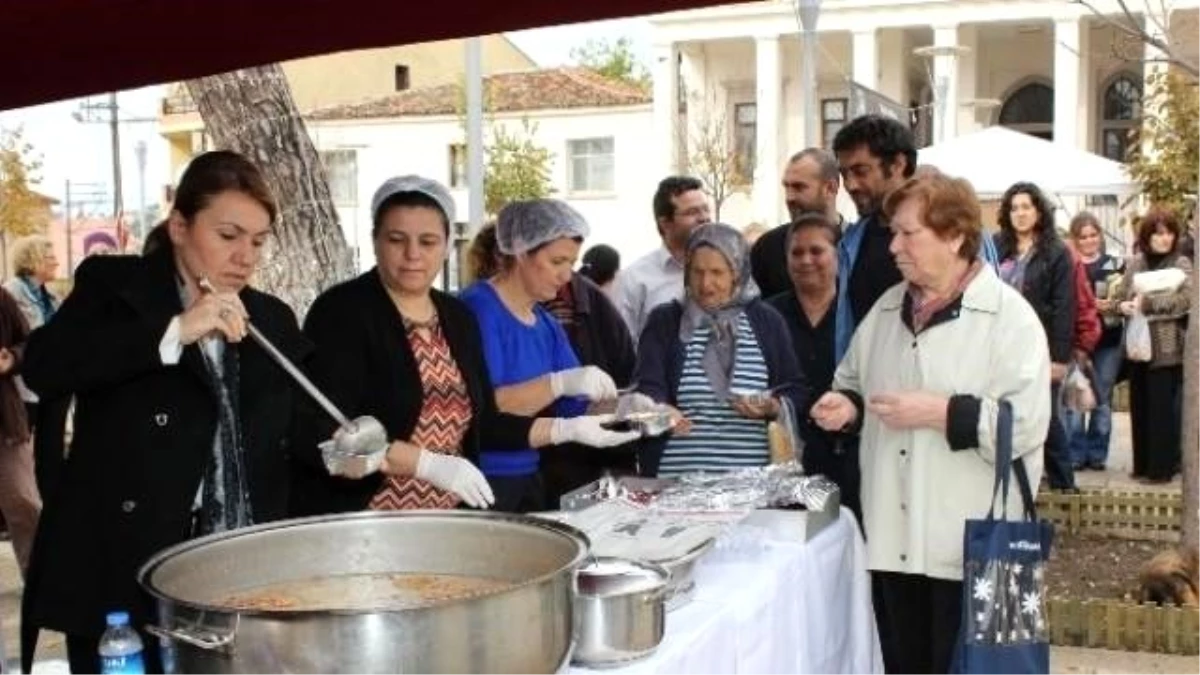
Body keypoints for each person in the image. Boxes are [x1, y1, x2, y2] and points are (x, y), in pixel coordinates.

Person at [18, 150, 314, 675]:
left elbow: (293, 436)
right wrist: (174, 331)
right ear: (180, 225)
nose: (245, 256)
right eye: (228, 235)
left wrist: (348, 454)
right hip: (124, 572)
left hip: (237, 571)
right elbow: (44, 367)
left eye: (258, 240)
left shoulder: (270, 318)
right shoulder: (115, 286)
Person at [812, 173, 1050, 675]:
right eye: (893, 232)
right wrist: (847, 406)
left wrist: (940, 412)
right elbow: (851, 376)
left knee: (992, 670)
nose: (893, 246)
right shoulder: (885, 308)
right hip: (895, 546)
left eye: (908, 233)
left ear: (955, 236)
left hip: (978, 550)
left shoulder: (1011, 318)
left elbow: (1024, 425)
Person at [461, 200, 640, 512]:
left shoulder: (546, 324)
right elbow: (491, 407)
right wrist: (558, 383)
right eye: (557, 261)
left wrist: (628, 406)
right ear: (520, 251)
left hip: (531, 473)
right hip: (478, 480)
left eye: (571, 263)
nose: (566, 276)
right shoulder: (478, 309)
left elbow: (576, 407)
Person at [632, 223, 808, 477]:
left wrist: (773, 405)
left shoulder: (766, 321)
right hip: (676, 483)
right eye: (697, 272)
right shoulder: (665, 321)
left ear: (737, 273)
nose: (706, 284)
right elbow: (646, 387)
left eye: (717, 272)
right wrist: (660, 409)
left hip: (754, 485)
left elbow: (796, 389)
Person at [766, 213, 860, 521]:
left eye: (816, 251)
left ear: (838, 254)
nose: (806, 260)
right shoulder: (767, 317)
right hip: (786, 464)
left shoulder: (861, 316)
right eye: (796, 252)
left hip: (850, 462)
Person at [994, 182, 1077, 492]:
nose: (1020, 214)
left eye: (1026, 207)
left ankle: (1064, 482)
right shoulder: (997, 246)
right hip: (1002, 344)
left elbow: (1064, 306)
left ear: (1039, 210)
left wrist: (1059, 358)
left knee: (1046, 413)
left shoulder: (1056, 252)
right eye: (1014, 208)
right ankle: (1016, 477)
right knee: (1007, 409)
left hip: (1041, 343)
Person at [831, 115, 915, 361]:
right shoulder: (851, 242)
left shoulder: (954, 232)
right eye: (844, 174)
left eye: (860, 171)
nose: (850, 185)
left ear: (897, 164)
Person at [1118, 207, 1190, 484]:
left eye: (1169, 233)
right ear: (1147, 235)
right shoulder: (1136, 262)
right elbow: (1122, 294)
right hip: (1137, 347)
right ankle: (1143, 466)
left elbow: (1186, 301)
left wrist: (1148, 304)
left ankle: (1162, 470)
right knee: (1140, 408)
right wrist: (1121, 305)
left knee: (1162, 411)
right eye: (1158, 233)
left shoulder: (1181, 263)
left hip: (1167, 347)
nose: (1164, 239)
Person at [612, 176, 711, 338]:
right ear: (665, 223)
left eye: (706, 209)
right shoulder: (635, 279)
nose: (704, 218)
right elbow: (623, 345)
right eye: (692, 212)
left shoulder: (728, 272)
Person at [1064, 212, 1124, 471]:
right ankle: (1076, 453)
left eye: (1093, 235)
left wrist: (1111, 305)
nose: (1089, 240)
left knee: (1102, 398)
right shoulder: (1068, 265)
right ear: (1075, 239)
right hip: (1077, 342)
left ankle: (1097, 453)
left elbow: (1123, 298)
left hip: (1108, 341)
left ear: (1100, 235)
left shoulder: (1114, 263)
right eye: (1083, 236)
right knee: (1076, 397)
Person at [750, 148, 846, 298]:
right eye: (786, 187)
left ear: (830, 188)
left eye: (799, 187)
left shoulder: (859, 245)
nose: (789, 198)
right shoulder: (767, 248)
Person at [0, 285, 40, 577]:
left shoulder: (1, 298)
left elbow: (30, 344)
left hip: (4, 422)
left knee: (24, 501)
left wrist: (12, 357)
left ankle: (41, 579)